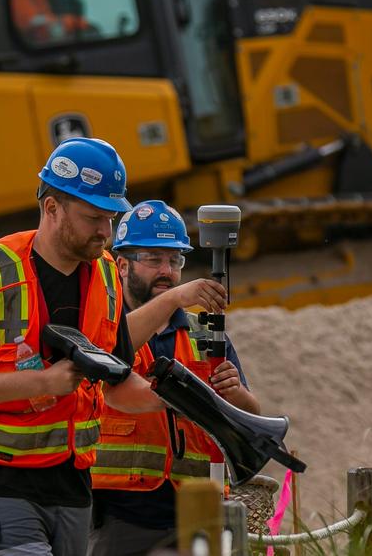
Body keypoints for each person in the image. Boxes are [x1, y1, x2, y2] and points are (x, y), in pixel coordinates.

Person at [0, 138, 222, 556]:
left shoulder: (105, 276)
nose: (105, 231)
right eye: (94, 217)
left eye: (111, 218)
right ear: (52, 208)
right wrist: (44, 381)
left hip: (71, 482)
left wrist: (184, 400)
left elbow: (116, 375)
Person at [88, 200, 260, 556]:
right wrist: (176, 299)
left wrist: (237, 395)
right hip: (123, 518)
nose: (166, 271)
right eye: (153, 259)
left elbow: (250, 420)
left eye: (174, 260)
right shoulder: (104, 329)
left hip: (199, 514)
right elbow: (107, 359)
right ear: (121, 265)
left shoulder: (204, 336)